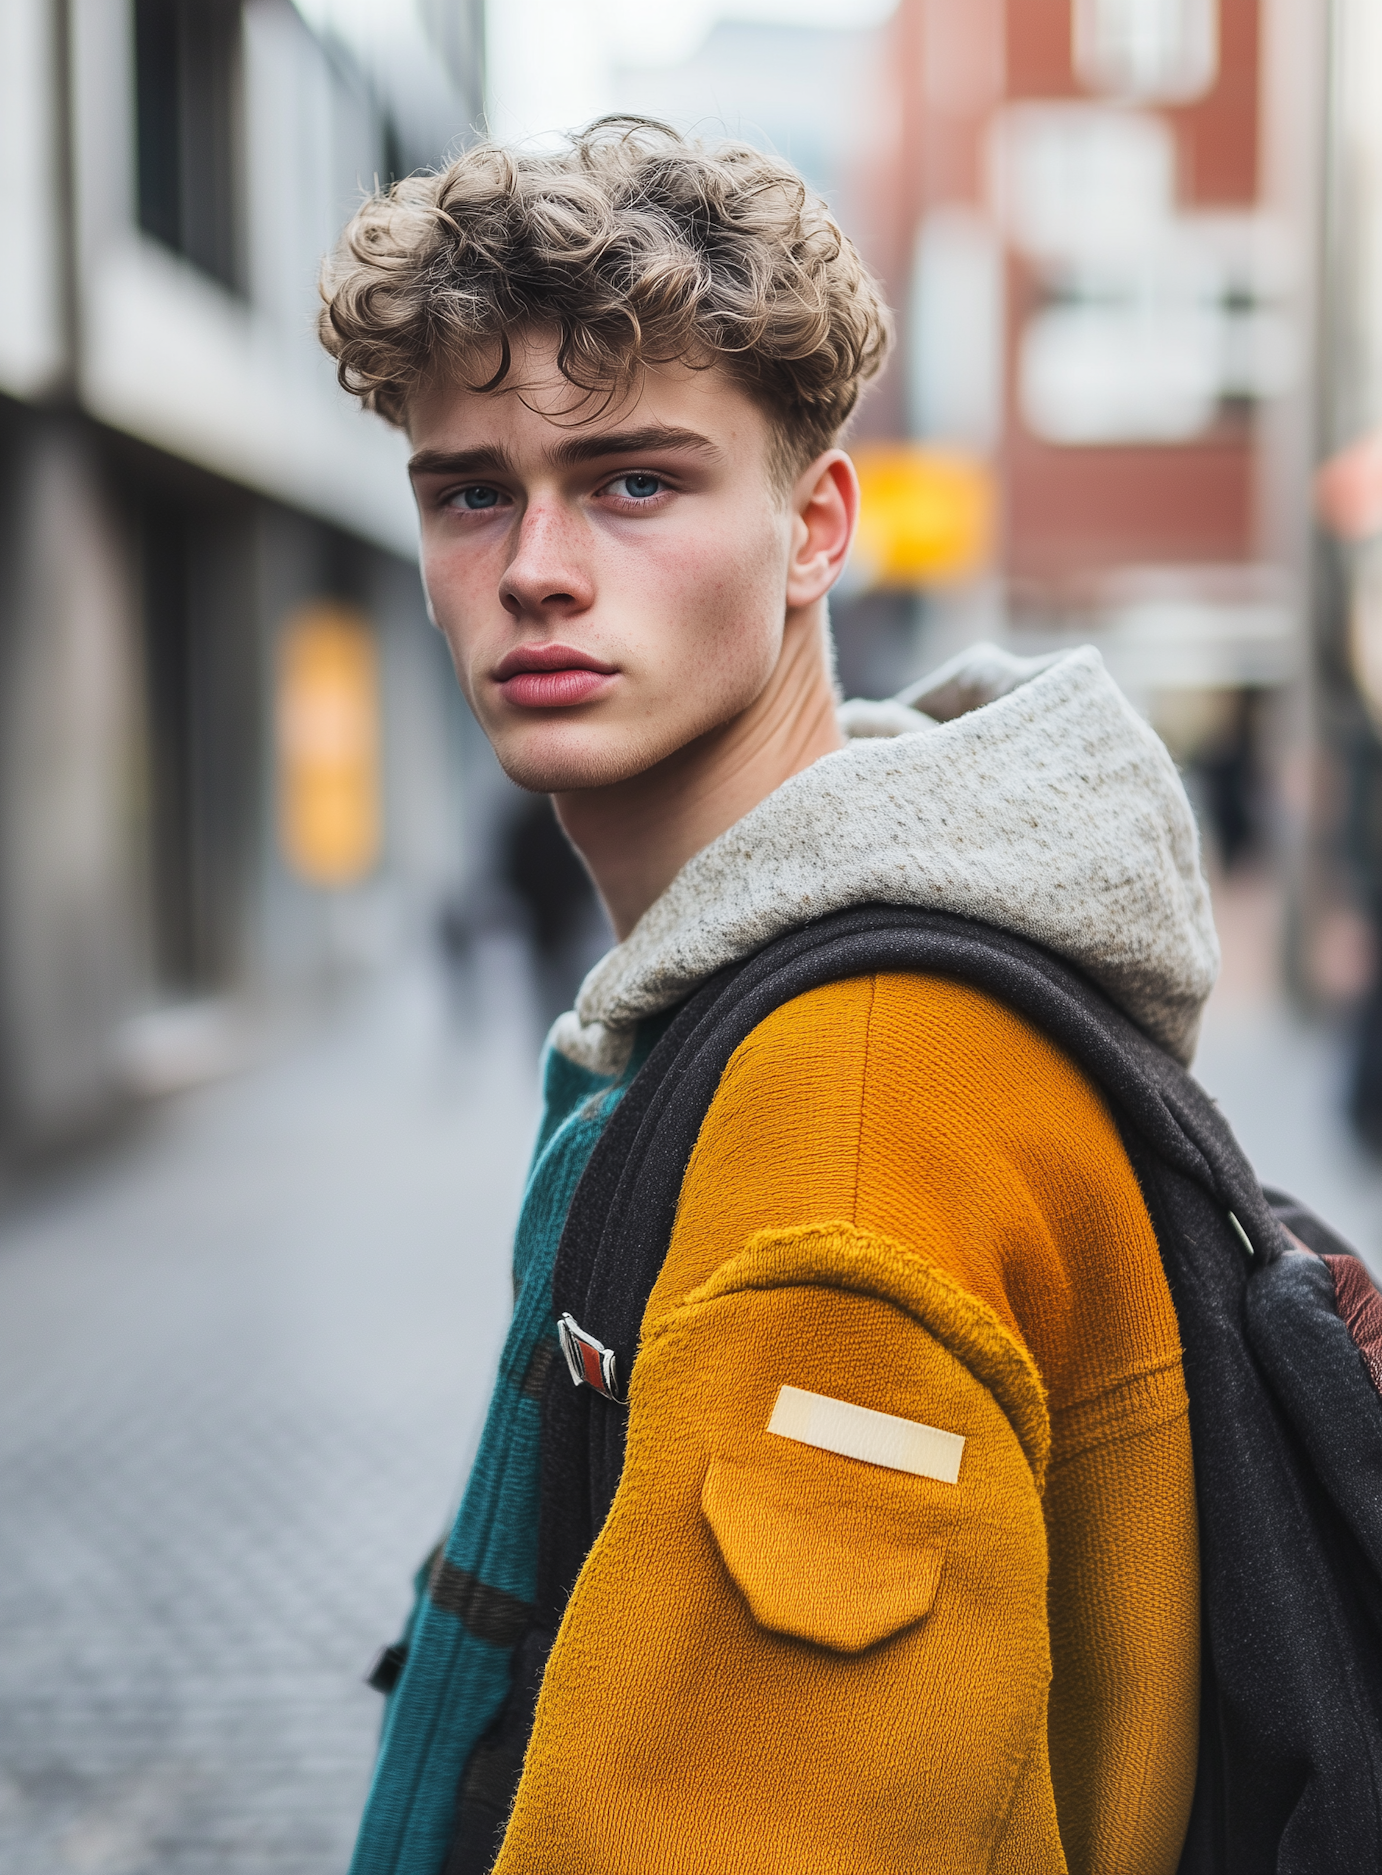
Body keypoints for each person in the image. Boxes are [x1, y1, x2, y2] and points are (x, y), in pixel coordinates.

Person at [320, 117, 1218, 1875]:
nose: (537, 569)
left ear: (817, 527)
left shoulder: (852, 1115)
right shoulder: (780, 999)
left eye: (637, 481)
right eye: (472, 490)